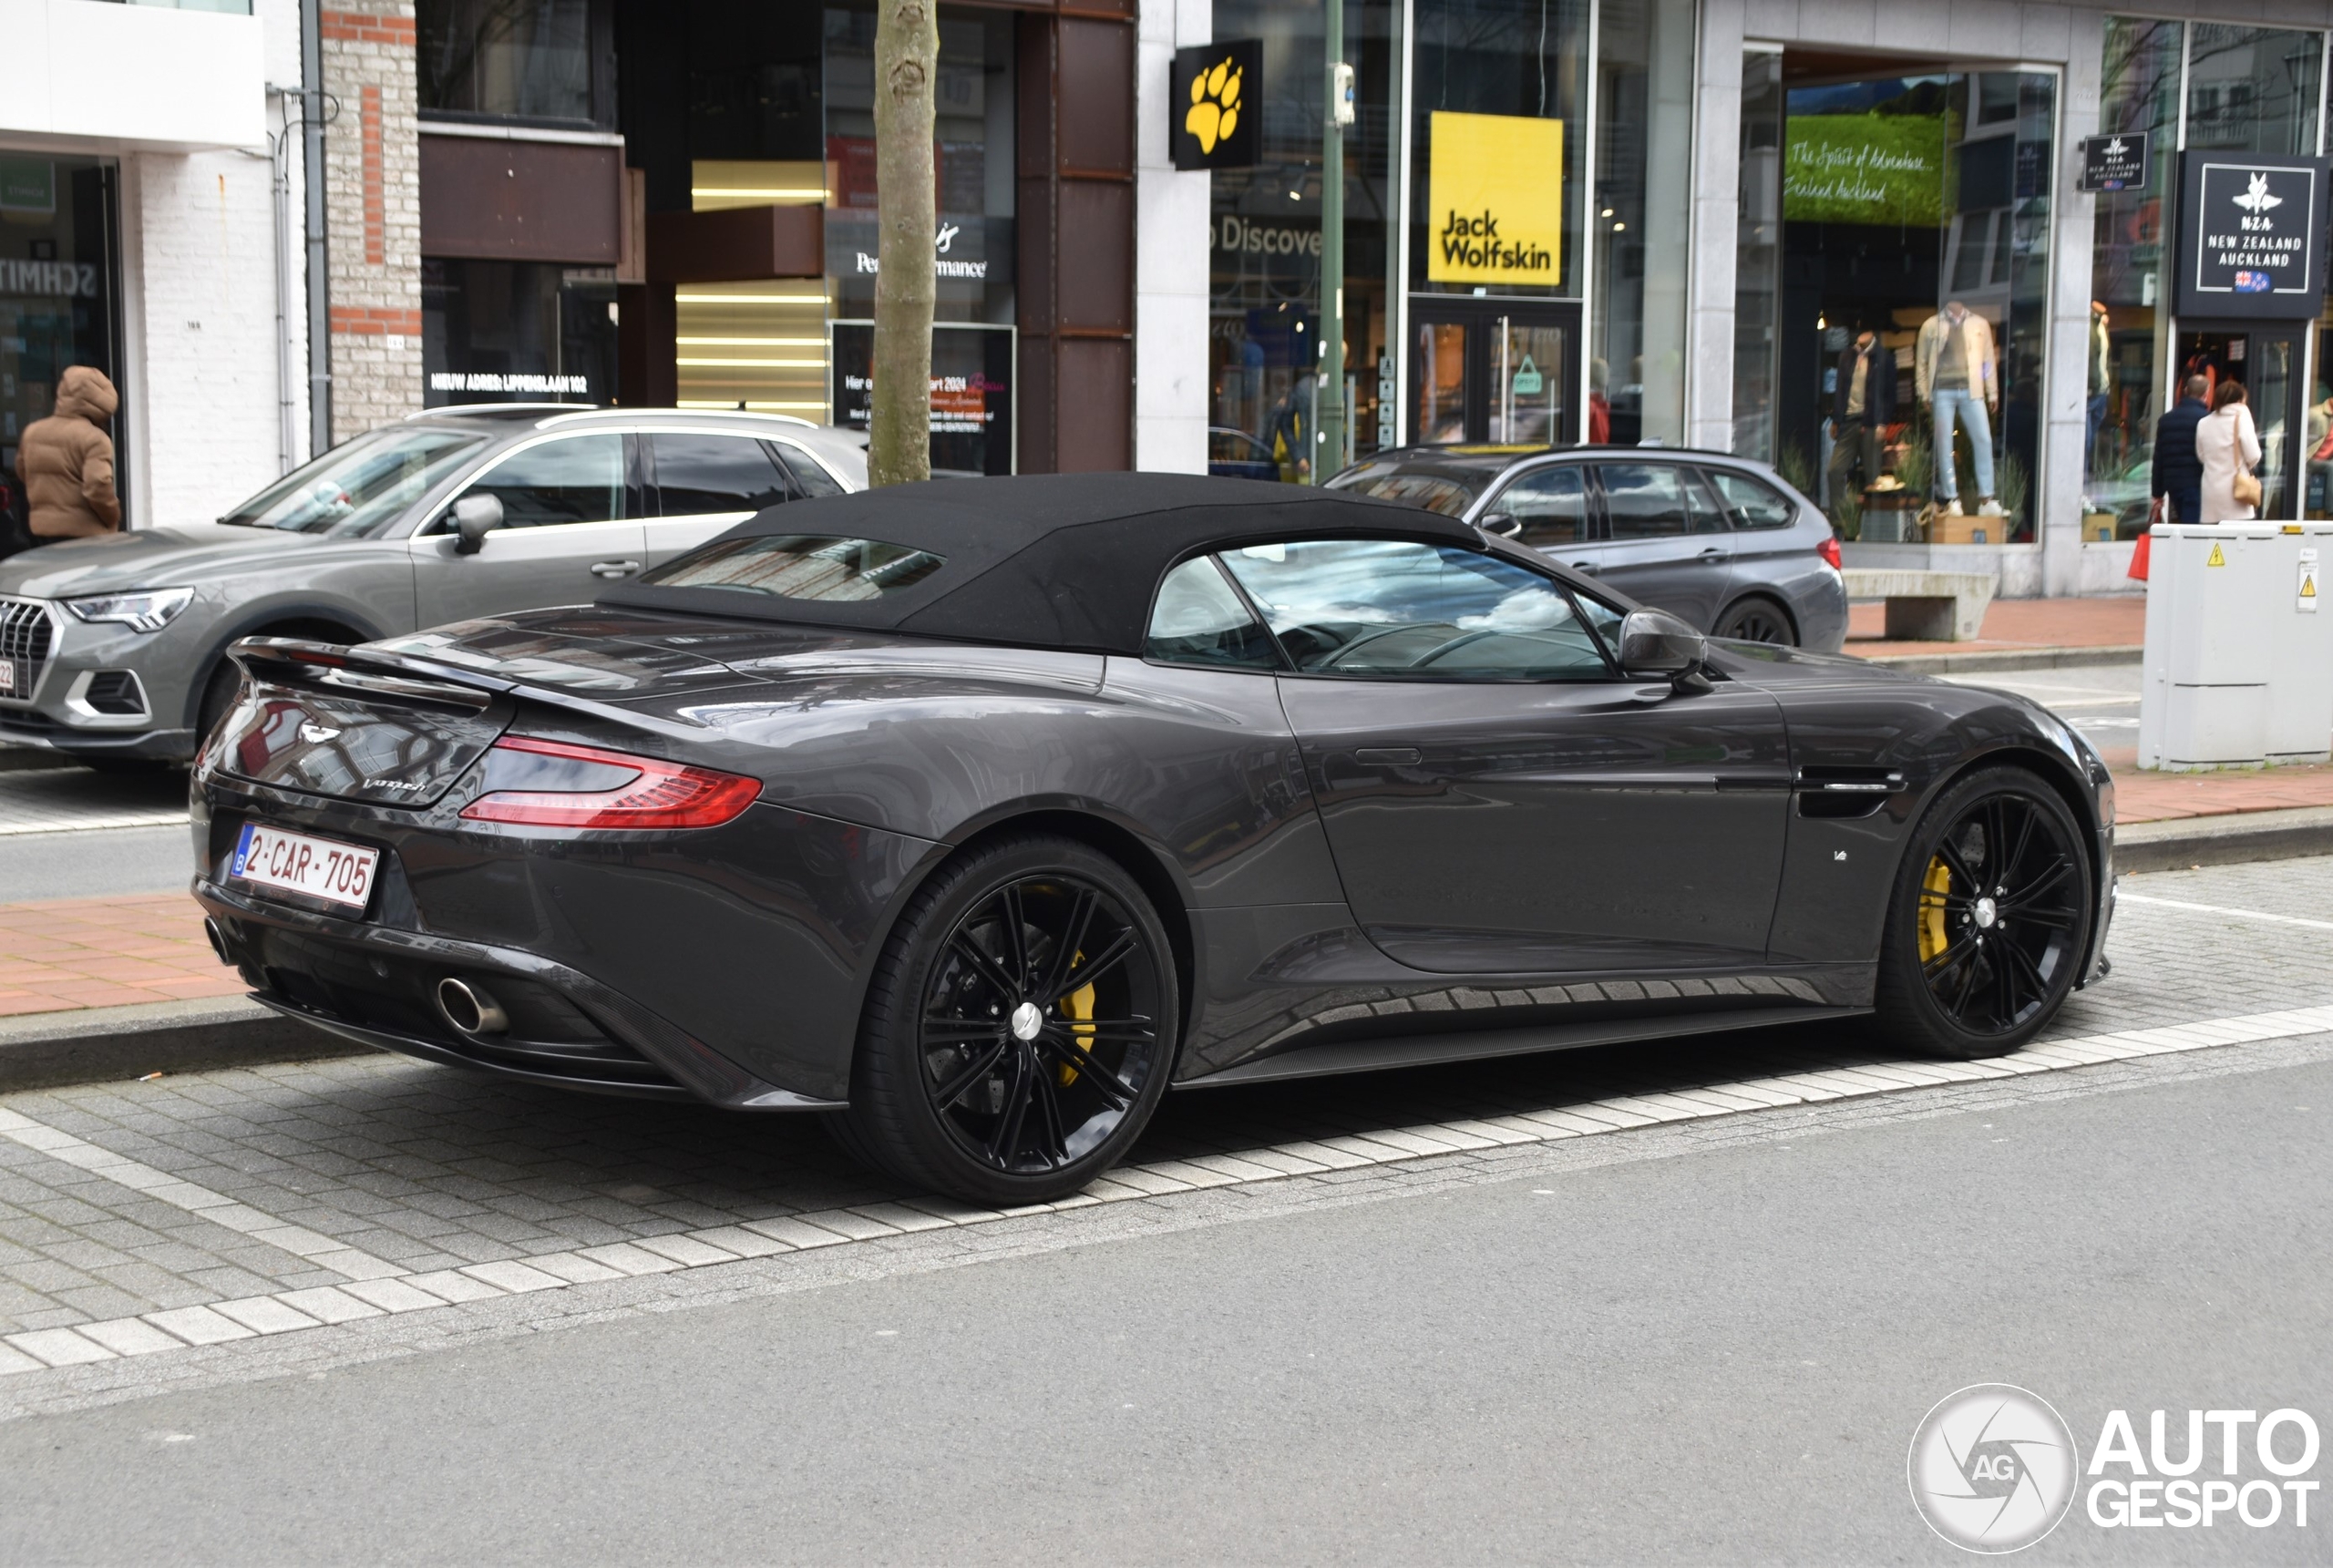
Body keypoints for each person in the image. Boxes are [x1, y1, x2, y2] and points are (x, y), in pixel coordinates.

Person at [13, 365, 121, 541]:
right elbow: (97, 487)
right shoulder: (95, 439)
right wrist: (113, 516)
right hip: (84, 534)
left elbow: (22, 472)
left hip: (42, 530)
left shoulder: (32, 432)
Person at [1915, 300, 2000, 516]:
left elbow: (1988, 360)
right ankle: (1952, 499)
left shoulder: (1979, 323)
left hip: (1972, 390)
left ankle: (1987, 498)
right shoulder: (1931, 325)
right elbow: (1922, 362)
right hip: (1942, 390)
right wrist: (1923, 392)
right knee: (1945, 445)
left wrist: (1992, 392)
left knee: (1983, 439)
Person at [1826, 327, 1895, 507]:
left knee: (1872, 476)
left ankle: (1873, 523)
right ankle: (1840, 520)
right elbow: (1840, 390)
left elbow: (1889, 393)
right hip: (1849, 419)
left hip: (1871, 421)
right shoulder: (1847, 356)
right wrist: (1836, 419)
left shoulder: (1883, 357)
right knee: (1835, 470)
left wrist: (1883, 422)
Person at [2195, 381, 2263, 523]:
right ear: (2239, 400)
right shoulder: (2242, 417)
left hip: (2210, 491)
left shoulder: (2203, 422)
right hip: (2236, 491)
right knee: (2238, 540)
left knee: (2215, 541)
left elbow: (2202, 456)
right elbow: (2254, 455)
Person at [2149, 374, 2211, 526]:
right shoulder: (2207, 419)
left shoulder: (2166, 420)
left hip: (2173, 485)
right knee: (2192, 532)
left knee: (2184, 526)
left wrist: (2157, 493)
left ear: (2185, 390)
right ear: (2206, 393)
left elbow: (2159, 458)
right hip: (2197, 483)